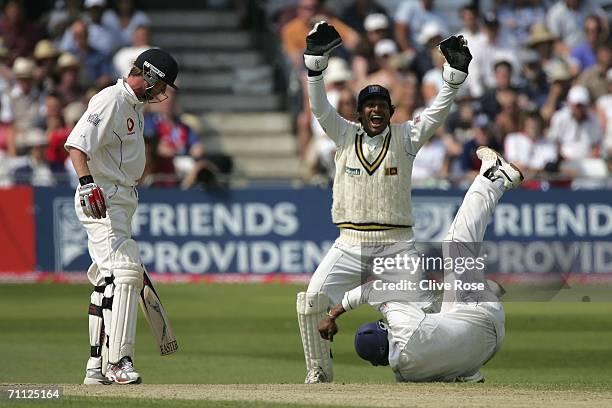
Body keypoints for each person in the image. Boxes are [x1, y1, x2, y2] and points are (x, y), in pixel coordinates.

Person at [297, 21, 472, 383]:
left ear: (391, 111)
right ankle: (318, 372)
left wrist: (452, 79)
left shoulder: (406, 137)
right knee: (311, 301)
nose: (375, 111)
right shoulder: (344, 134)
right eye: (369, 106)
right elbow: (318, 108)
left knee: (423, 311)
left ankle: (456, 368)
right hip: (349, 243)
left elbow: (437, 113)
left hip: (397, 245)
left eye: (381, 106)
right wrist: (315, 66)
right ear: (360, 112)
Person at [318, 147, 524, 382]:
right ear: (386, 329)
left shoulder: (405, 375)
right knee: (455, 243)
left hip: (485, 350)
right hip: (480, 313)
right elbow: (370, 290)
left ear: (378, 362)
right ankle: (494, 178)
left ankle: (468, 376)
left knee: (442, 326)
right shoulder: (402, 326)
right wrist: (333, 314)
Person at [64, 48, 179, 385]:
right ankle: (118, 362)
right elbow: (76, 145)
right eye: (162, 85)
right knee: (126, 273)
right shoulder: (111, 99)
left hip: (121, 199)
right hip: (103, 197)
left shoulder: (133, 107)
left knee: (107, 280)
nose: (163, 93)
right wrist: (87, 185)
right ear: (151, 76)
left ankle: (95, 368)